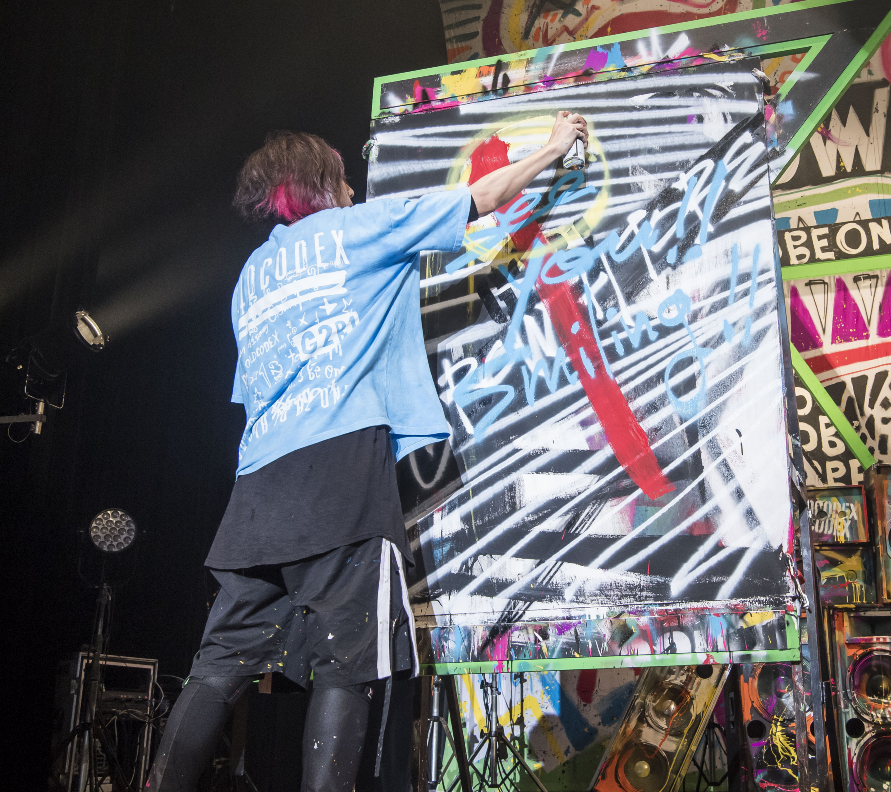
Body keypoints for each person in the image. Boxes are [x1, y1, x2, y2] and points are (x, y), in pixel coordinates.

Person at [146, 111, 589, 791]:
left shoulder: (251, 276)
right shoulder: (359, 228)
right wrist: (553, 149)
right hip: (339, 473)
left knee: (218, 668)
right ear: (321, 185)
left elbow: (246, 391)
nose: (353, 189)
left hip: (256, 488)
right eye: (344, 179)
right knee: (347, 664)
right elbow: (481, 196)